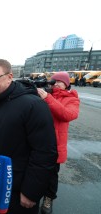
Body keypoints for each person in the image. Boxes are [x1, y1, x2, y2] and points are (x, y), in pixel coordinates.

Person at [0, 59, 58, 213]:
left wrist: (31, 192)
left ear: (9, 77)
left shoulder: (33, 105)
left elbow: (45, 152)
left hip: (19, 191)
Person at [37, 72, 80, 214]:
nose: (56, 84)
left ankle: (48, 199)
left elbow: (68, 115)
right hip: (38, 141)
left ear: (67, 84)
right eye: (54, 81)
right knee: (35, 170)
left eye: (60, 82)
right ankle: (33, 194)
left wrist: (47, 98)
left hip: (55, 144)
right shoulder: (46, 93)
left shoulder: (71, 99)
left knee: (51, 174)